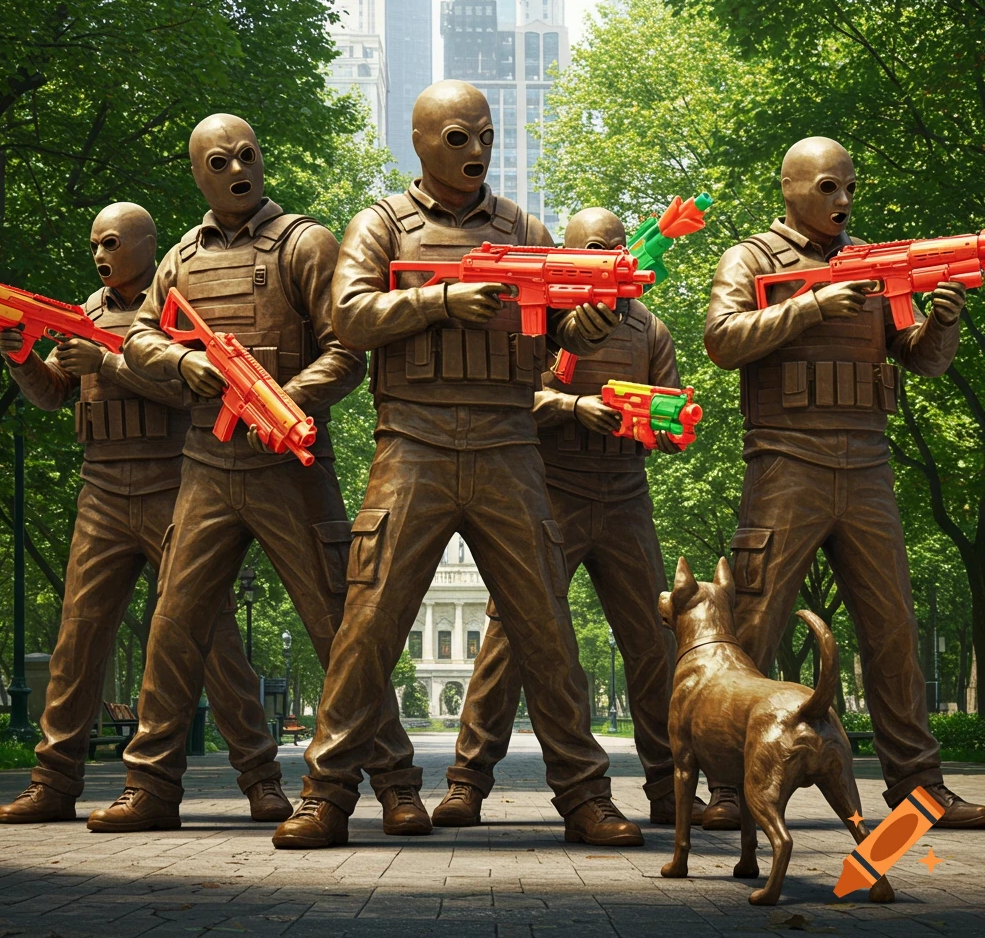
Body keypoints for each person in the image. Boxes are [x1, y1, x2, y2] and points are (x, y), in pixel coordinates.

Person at [277, 81, 640, 850]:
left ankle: (584, 796)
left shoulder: (525, 226)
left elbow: (556, 332)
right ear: (421, 141)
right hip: (412, 442)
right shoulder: (382, 225)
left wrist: (590, 318)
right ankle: (327, 794)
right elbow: (348, 318)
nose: (476, 151)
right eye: (457, 138)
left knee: (545, 626)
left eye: (485, 136)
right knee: (369, 624)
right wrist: (441, 303)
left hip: (510, 443)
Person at [87, 117, 420, 834]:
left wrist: (285, 400)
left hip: (291, 466)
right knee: (173, 627)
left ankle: (396, 784)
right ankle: (150, 787)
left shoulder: (305, 243)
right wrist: (186, 364)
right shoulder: (179, 256)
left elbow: (348, 350)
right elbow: (141, 335)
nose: (238, 167)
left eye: (248, 154)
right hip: (206, 465)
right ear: (199, 177)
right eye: (220, 160)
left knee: (340, 628)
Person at [703, 136, 985, 829]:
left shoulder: (875, 266)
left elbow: (920, 362)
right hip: (783, 463)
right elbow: (721, 338)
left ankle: (919, 788)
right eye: (828, 187)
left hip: (866, 464)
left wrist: (941, 325)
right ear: (790, 187)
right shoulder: (751, 259)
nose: (843, 200)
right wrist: (809, 306)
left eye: (850, 187)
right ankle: (730, 790)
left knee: (893, 630)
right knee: (751, 627)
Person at [0, 202, 290, 825]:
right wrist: (21, 358)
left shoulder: (178, 310)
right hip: (100, 488)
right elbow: (52, 395)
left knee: (208, 639)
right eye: (94, 245)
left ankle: (261, 777)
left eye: (110, 243)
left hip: (173, 483)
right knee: (78, 635)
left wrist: (109, 363)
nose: (99, 256)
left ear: (146, 246)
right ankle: (54, 780)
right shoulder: (85, 315)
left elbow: (192, 387)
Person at [432, 207, 705, 829]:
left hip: (626, 496)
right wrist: (574, 407)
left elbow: (670, 406)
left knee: (654, 643)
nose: (608, 255)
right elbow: (514, 398)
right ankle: (467, 782)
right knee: (509, 637)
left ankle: (670, 788)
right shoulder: (542, 322)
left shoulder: (650, 329)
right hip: (552, 494)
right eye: (592, 247)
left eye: (615, 245)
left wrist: (664, 425)